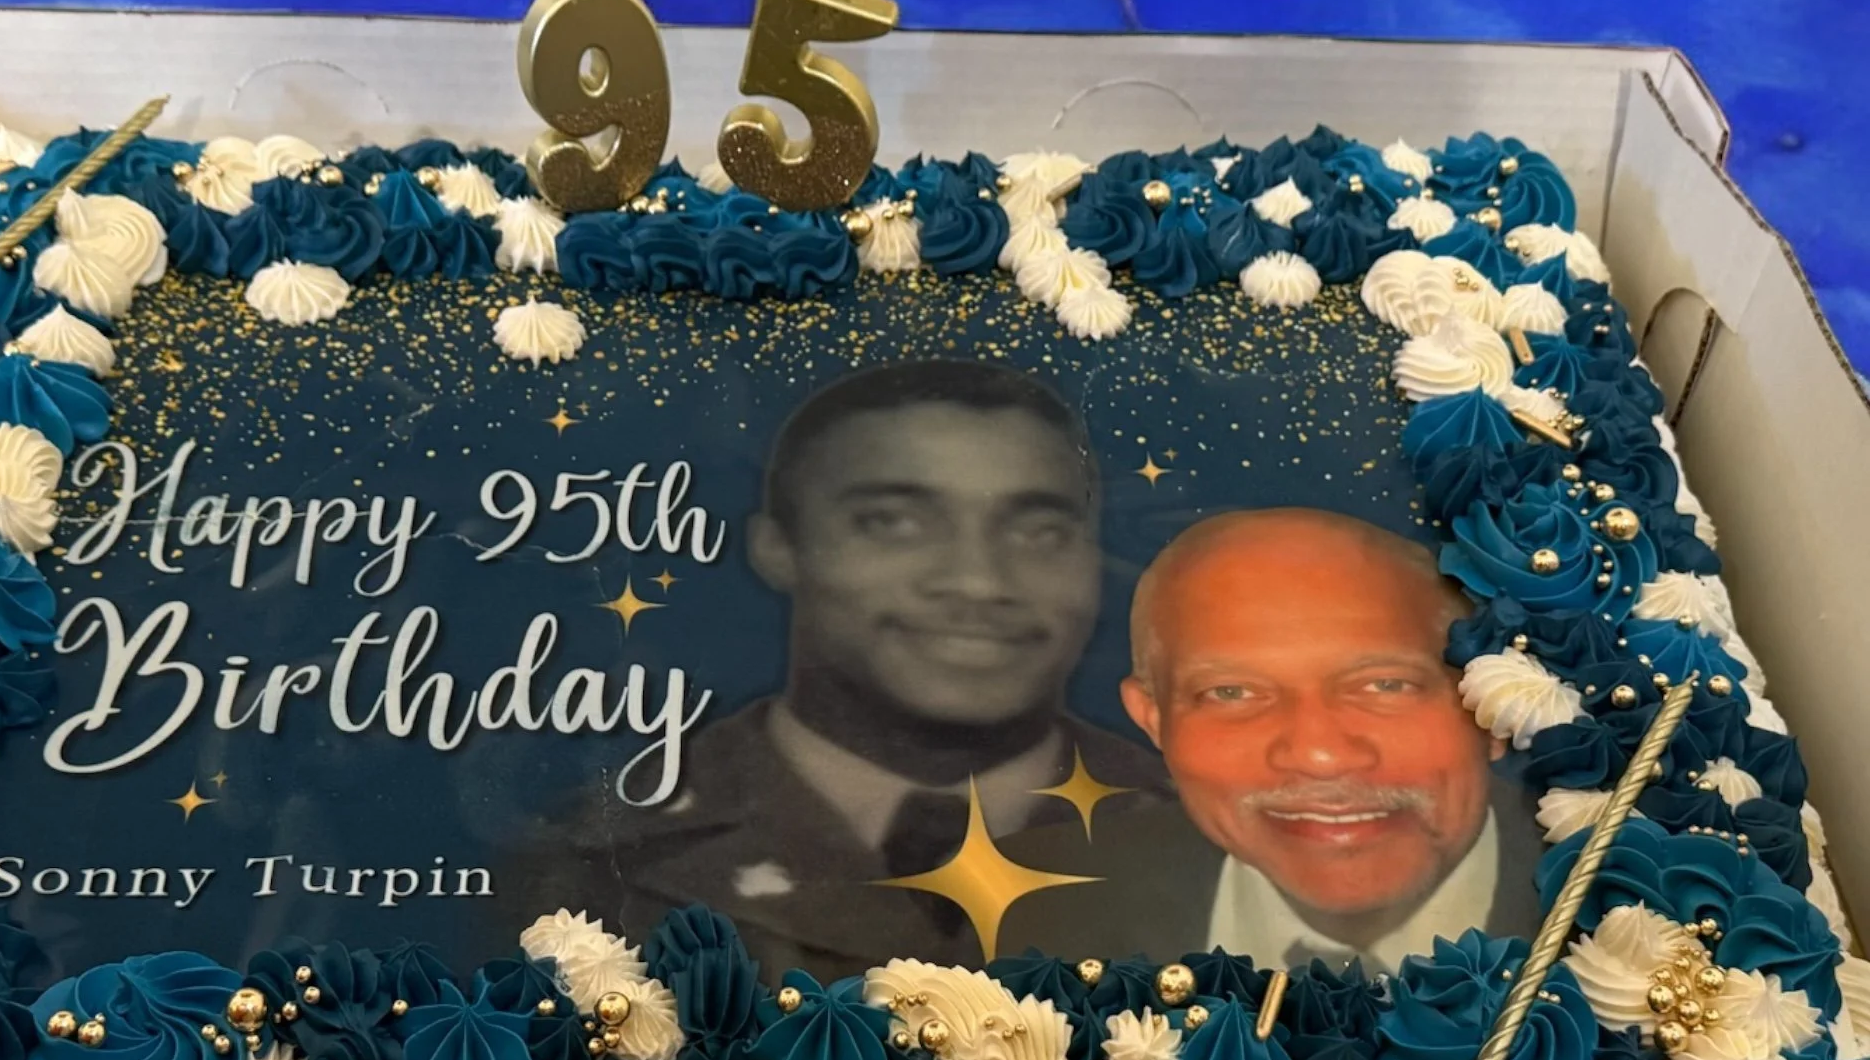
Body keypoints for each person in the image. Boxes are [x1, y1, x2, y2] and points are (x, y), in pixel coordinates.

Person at [512, 359, 1187, 976]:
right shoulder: (585, 862)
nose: (980, 582)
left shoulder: (1218, 837)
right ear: (779, 548)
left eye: (1041, 532)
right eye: (893, 522)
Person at [1118, 506, 1537, 972]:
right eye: (1232, 693)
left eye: (1386, 685)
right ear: (1153, 719)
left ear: (1494, 704)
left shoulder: (1614, 893)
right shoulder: (1032, 907)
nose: (1321, 756)